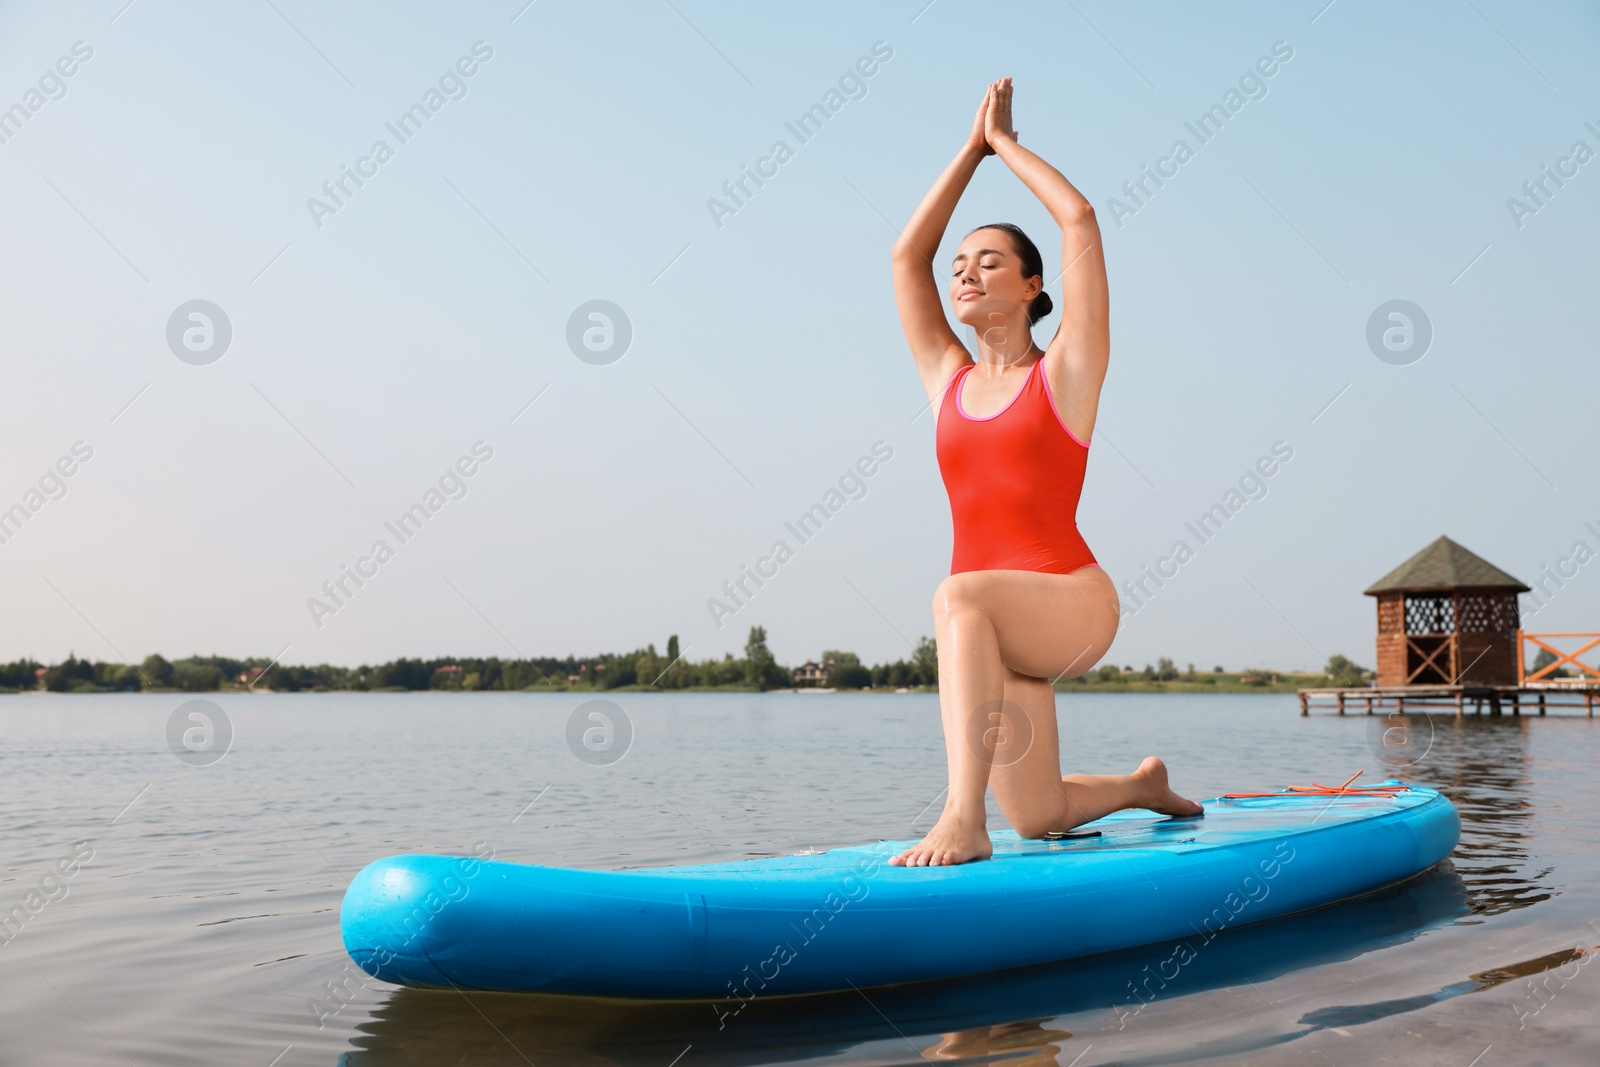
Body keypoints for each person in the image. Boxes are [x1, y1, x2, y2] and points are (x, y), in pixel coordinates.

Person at [888, 78, 1201, 867]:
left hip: (1071, 602)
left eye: (988, 262)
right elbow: (906, 256)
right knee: (1040, 813)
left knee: (956, 592)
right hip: (992, 634)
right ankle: (1144, 786)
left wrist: (1007, 148)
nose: (964, 273)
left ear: (1034, 288)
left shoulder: (1065, 372)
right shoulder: (947, 381)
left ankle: (961, 819)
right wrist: (967, 151)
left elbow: (1080, 219)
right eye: (960, 265)